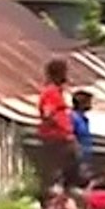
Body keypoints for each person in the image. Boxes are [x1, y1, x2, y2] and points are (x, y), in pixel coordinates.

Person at [35, 58, 77, 192]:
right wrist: (64, 130)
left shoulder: (57, 92)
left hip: (60, 138)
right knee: (58, 174)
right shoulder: (51, 92)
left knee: (67, 173)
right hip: (56, 139)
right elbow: (49, 113)